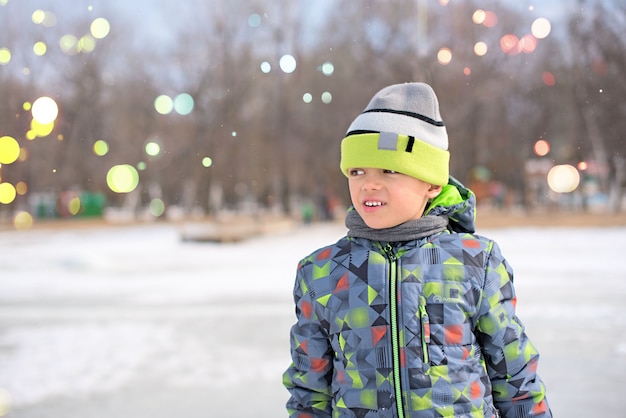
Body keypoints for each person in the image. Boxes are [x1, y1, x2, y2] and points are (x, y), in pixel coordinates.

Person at [283, 82, 551, 417]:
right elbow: (309, 393)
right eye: (357, 171)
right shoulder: (321, 272)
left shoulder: (475, 262)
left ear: (432, 183)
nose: (369, 183)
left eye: (389, 170)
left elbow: (514, 377)